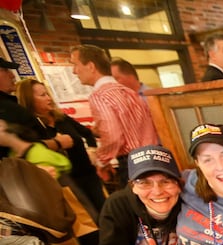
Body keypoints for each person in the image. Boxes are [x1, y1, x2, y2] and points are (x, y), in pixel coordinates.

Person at [16, 78, 106, 220]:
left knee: (105, 214)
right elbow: (33, 150)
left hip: (88, 174)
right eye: (42, 95)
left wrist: (92, 150)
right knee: (89, 220)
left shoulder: (61, 118)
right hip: (67, 182)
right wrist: (57, 144)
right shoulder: (32, 127)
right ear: (29, 100)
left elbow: (87, 133)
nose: (48, 98)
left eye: (47, 93)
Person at [69, 44, 158, 185]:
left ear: (91, 66)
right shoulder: (128, 91)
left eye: (75, 65)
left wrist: (101, 160)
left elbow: (113, 136)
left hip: (132, 164)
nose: (74, 71)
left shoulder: (100, 96)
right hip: (154, 157)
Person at [95, 145, 182, 245]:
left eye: (165, 181)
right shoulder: (118, 205)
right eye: (144, 183)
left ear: (179, 184)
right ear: (132, 187)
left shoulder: (190, 201)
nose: (157, 191)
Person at [0, 57, 69, 158]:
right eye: (6, 70)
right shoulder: (8, 109)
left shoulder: (59, 117)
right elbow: (27, 147)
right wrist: (57, 143)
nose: (12, 75)